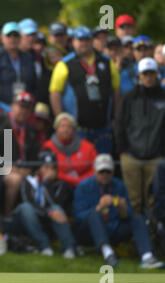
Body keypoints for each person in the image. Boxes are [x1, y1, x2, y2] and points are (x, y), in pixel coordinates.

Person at [73, 154, 165, 268]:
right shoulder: (84, 186)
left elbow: (128, 215)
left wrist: (123, 209)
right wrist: (98, 207)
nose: (105, 175)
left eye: (108, 172)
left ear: (113, 171)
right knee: (94, 214)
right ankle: (108, 253)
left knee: (137, 218)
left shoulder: (119, 185)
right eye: (101, 172)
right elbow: (78, 216)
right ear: (94, 171)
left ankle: (147, 256)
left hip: (113, 228)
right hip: (90, 232)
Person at [49, 26, 120, 154]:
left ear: (92, 41)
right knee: (81, 166)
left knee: (103, 165)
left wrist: (115, 116)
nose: (84, 43)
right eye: (80, 40)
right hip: (77, 129)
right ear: (73, 42)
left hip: (103, 127)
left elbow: (116, 90)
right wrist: (60, 119)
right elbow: (55, 92)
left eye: (87, 40)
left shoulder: (106, 61)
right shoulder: (64, 64)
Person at [115, 57, 165, 216]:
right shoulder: (129, 97)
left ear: (157, 73)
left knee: (154, 198)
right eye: (145, 73)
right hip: (131, 157)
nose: (149, 77)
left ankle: (153, 233)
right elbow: (119, 124)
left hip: (156, 157)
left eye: (151, 73)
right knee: (134, 200)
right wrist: (122, 150)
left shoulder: (163, 96)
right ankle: (136, 234)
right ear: (139, 75)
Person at [7, 150, 76, 258]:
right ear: (39, 168)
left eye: (53, 168)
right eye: (46, 167)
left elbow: (55, 203)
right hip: (30, 219)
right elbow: (29, 202)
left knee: (56, 208)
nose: (50, 171)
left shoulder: (61, 185)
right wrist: (47, 213)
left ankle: (69, 248)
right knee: (26, 208)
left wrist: (46, 184)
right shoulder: (28, 181)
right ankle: (44, 245)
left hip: (49, 222)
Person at [0, 91, 40, 216]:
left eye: (27, 109)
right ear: (12, 106)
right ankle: (7, 216)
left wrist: (28, 169)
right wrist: (7, 167)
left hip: (23, 171)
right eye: (20, 107)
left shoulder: (30, 130)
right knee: (15, 180)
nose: (23, 111)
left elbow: (34, 158)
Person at [42, 113, 98, 188]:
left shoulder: (88, 147)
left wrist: (81, 181)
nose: (65, 130)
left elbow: (95, 169)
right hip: (57, 184)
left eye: (69, 127)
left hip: (84, 185)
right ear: (56, 128)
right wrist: (69, 179)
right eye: (62, 126)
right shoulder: (48, 146)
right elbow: (46, 170)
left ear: (74, 129)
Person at [0, 22, 37, 105]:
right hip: (3, 105)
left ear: (20, 38)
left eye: (16, 35)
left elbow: (34, 84)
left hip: (25, 105)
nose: (12, 38)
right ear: (2, 38)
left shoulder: (28, 57)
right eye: (9, 35)